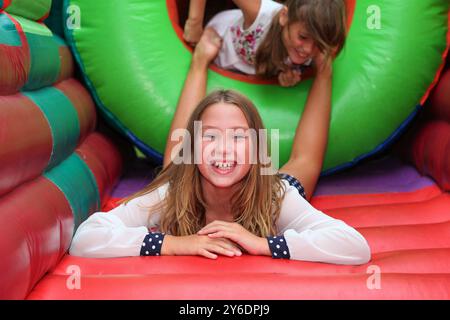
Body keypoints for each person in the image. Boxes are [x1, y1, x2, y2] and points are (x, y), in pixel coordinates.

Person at [69, 29, 371, 265]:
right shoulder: (171, 193)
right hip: (186, 174)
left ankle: (324, 71)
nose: (224, 148)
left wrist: (261, 244)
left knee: (304, 161)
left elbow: (355, 246)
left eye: (239, 137)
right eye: (211, 137)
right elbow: (86, 238)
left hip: (265, 184)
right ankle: (200, 62)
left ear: (257, 152)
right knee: (176, 158)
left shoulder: (278, 196)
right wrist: (174, 244)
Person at [183, 0, 347, 87]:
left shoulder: (320, 44)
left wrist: (283, 76)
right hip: (218, 48)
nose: (308, 49)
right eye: (303, 37)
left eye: (318, 44)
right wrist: (195, 22)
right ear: (284, 17)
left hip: (250, 73)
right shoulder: (260, 15)